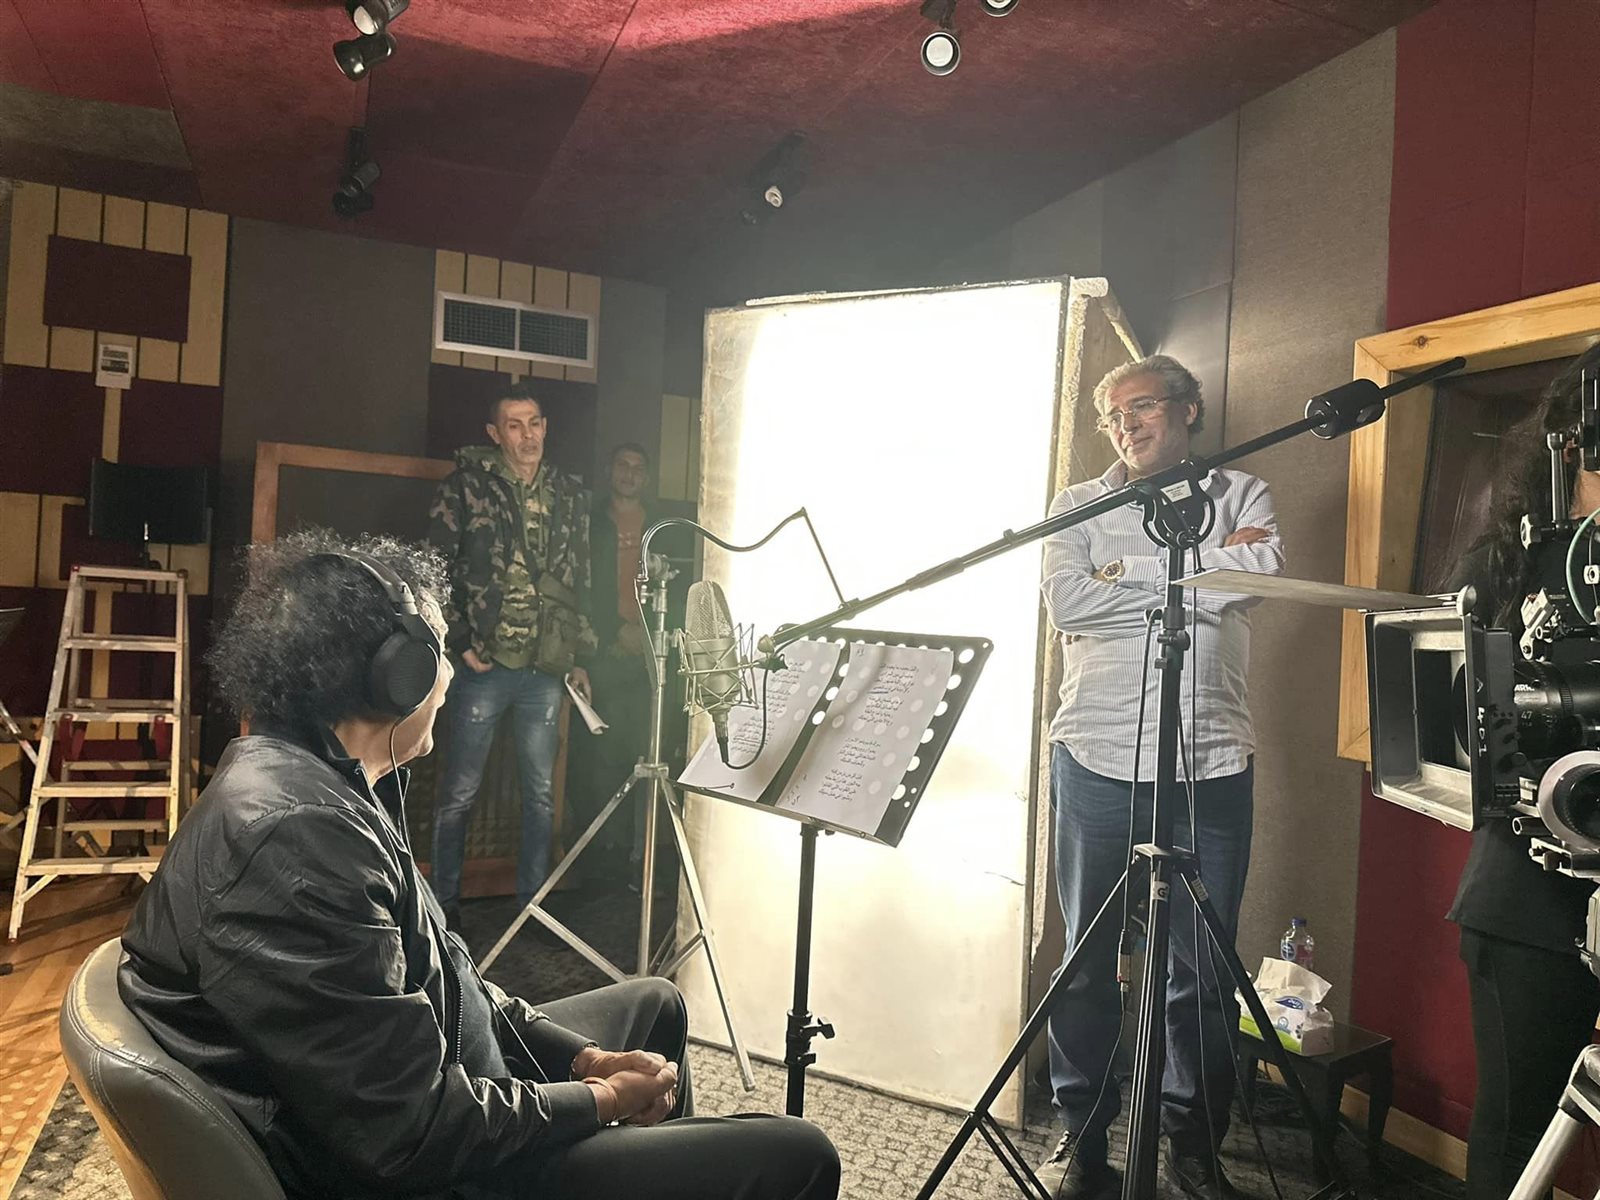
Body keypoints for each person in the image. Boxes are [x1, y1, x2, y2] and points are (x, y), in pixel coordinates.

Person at [117, 530, 841, 1200]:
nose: (445, 676)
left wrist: (585, 1062)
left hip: (445, 1093)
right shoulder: (296, 842)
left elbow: (447, 974)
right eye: (437, 653)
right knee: (798, 1153)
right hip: (446, 1169)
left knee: (655, 1004)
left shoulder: (319, 781)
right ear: (398, 678)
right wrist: (601, 1100)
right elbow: (415, 1133)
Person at [1035, 355, 1284, 1200]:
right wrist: (1202, 573)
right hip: (1096, 758)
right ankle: (1083, 1138)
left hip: (1211, 762)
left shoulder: (1243, 494)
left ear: (1188, 409)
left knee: (1204, 973)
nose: (1125, 426)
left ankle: (1193, 1146)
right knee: (1085, 961)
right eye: (1113, 416)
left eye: (1140, 407)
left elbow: (1260, 575)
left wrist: (1124, 577)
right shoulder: (1078, 505)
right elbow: (1068, 604)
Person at [1444, 347, 1600, 1200]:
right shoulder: (1507, 562)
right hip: (1529, 895)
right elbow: (1463, 717)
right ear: (1570, 441)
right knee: (1519, 1134)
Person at [428, 381, 596, 930]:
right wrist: (459, 642)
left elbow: (581, 575)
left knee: (541, 794)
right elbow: (433, 567)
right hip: (485, 663)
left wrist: (578, 652)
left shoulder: (568, 493)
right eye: (515, 425)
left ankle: (533, 909)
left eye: (535, 423)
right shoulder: (467, 486)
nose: (528, 435)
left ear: (546, 427)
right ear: (495, 433)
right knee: (459, 792)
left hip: (545, 665)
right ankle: (442, 908)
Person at [572, 442, 657, 881]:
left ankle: (636, 858)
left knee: (643, 753)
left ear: (647, 476)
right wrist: (611, 634)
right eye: (622, 465)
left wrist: (646, 633)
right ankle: (600, 859)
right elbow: (581, 584)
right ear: (610, 471)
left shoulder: (661, 525)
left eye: (638, 467)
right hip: (604, 651)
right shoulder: (591, 522)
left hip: (650, 655)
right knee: (600, 756)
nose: (629, 473)